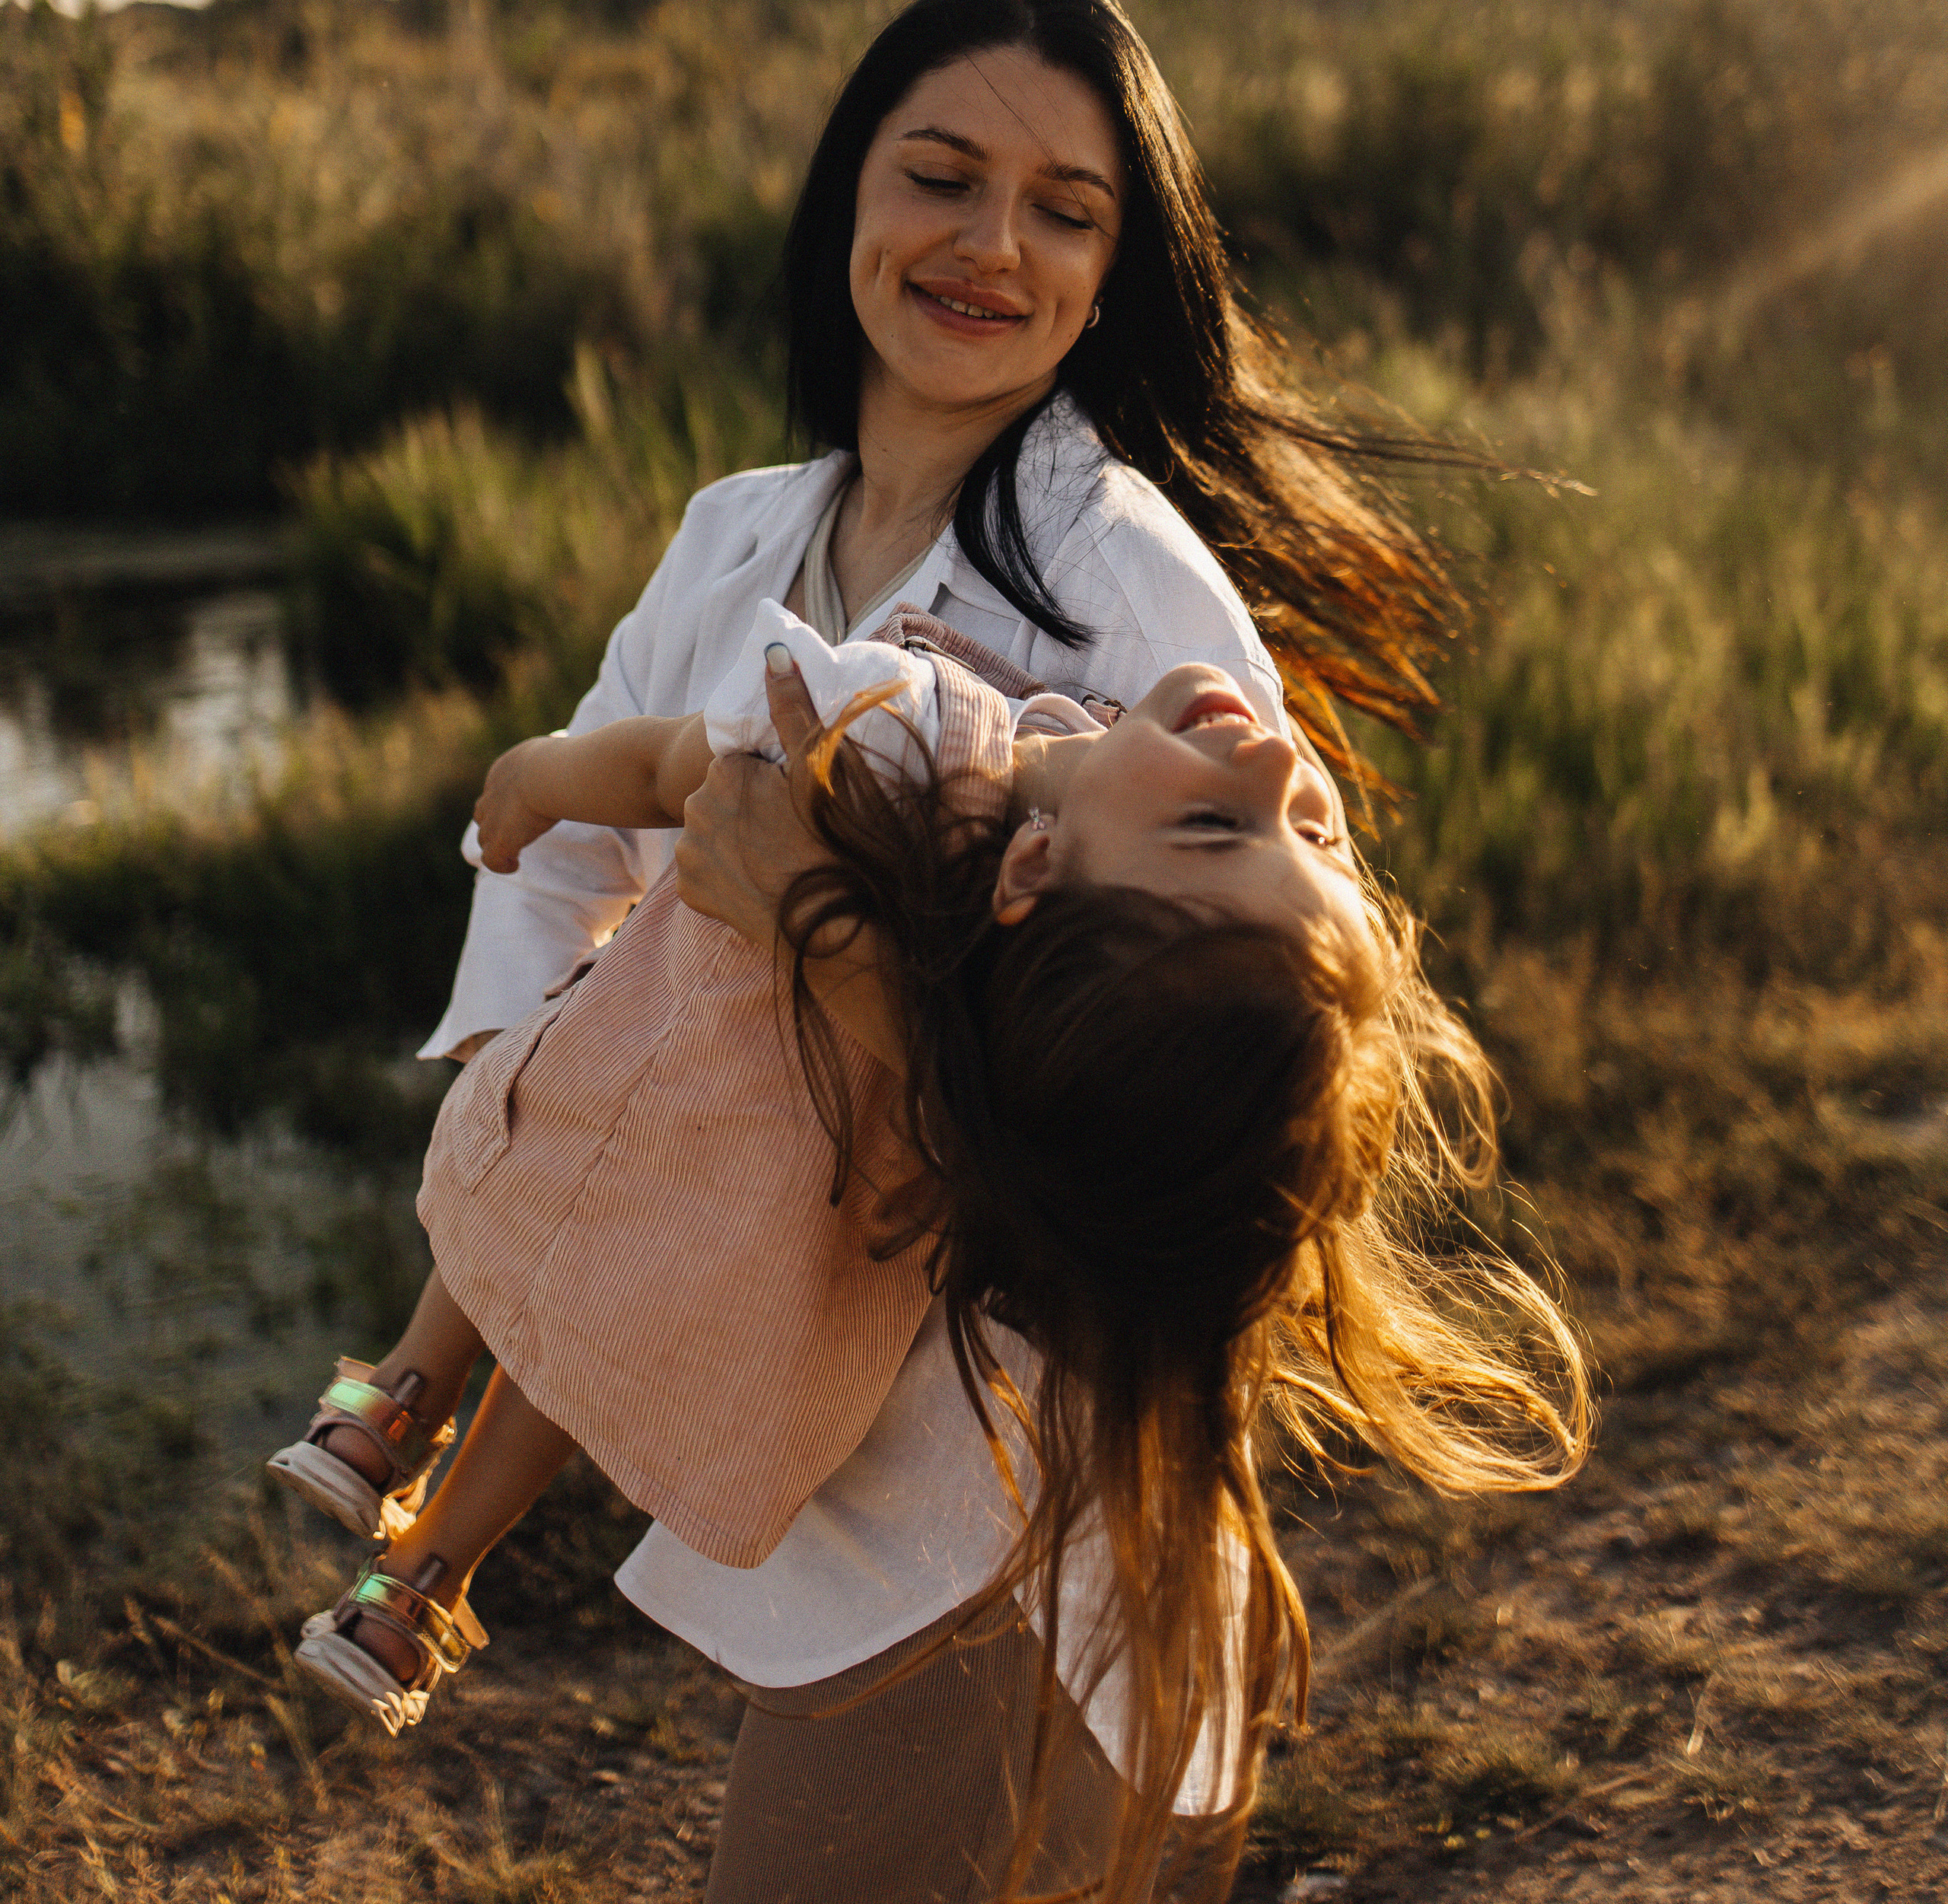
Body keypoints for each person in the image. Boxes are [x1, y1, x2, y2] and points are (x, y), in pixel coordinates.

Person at [377, 0, 1510, 1898]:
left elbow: (1249, 1086)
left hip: (1016, 1504)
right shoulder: (737, 536)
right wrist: (532, 1154)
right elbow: (570, 863)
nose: (992, 245)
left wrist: (825, 936)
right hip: (793, 1416)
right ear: (848, 202)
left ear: (1109, 270)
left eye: (1064, 212)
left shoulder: (1116, 577)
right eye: (941, 177)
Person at [279, 601, 1587, 1904]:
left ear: (1031, 875)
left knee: (526, 1279)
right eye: (1306, 832)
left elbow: (674, 769)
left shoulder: (949, 721)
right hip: (986, 1545)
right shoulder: (1097, 853)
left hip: (967, 1580)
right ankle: (412, 1527)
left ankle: (394, 1456)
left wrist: (573, 797)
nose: (1288, 765)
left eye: (1224, 827)